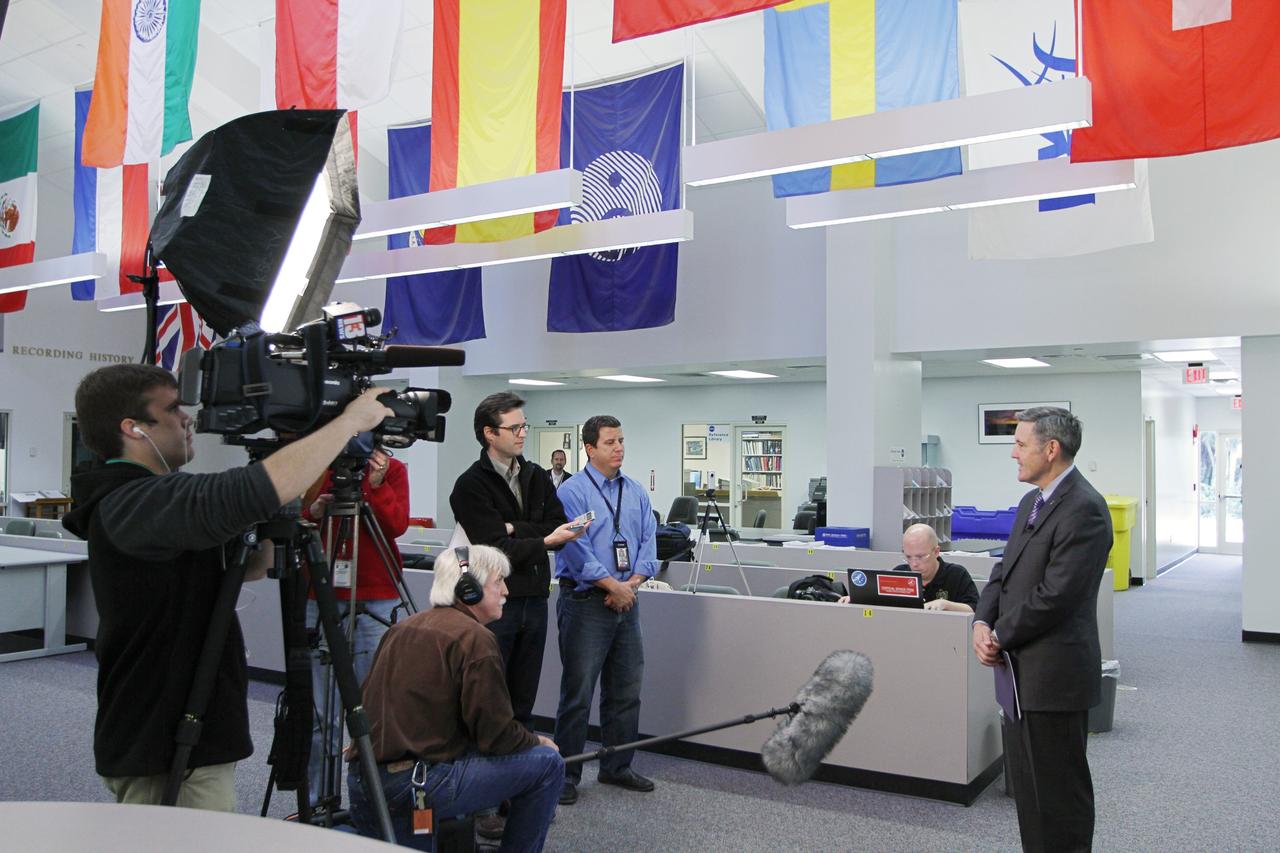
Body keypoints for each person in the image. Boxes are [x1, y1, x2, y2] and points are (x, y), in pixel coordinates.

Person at [61, 364, 393, 810]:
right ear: (133, 428)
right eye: (173, 408)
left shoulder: (154, 499)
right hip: (162, 736)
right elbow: (247, 491)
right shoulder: (133, 502)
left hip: (191, 721)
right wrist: (349, 422)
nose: (187, 419)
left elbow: (252, 564)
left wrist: (288, 511)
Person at [347, 545, 564, 852]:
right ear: (469, 589)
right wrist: (536, 741)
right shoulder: (476, 639)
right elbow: (497, 736)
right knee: (548, 764)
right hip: (414, 787)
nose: (506, 590)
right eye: (498, 581)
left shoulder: (401, 628)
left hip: (365, 784)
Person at [972, 406, 1112, 853]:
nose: (1013, 453)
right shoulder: (1031, 503)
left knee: (1059, 797)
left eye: (1020, 444)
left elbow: (1057, 596)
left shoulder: (1085, 509)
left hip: (1055, 678)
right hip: (1020, 675)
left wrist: (999, 635)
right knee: (1030, 795)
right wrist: (981, 620)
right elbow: (1004, 572)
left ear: (1051, 449)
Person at [450, 393, 585, 839]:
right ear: (489, 434)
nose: (524, 433)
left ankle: (519, 793)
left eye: (525, 426)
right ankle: (482, 803)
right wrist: (539, 539)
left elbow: (557, 524)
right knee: (487, 702)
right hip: (493, 604)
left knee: (521, 704)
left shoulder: (535, 475)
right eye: (515, 428)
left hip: (533, 599)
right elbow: (493, 545)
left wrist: (516, 530)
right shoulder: (469, 485)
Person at [553, 415, 659, 806]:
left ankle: (616, 766)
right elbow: (575, 548)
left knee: (626, 691)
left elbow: (649, 541)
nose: (619, 448)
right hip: (585, 603)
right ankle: (566, 774)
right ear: (589, 448)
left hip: (627, 603)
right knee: (577, 694)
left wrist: (629, 586)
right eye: (610, 442)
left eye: (621, 441)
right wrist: (612, 586)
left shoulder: (635, 491)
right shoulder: (572, 492)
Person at [302, 435, 410, 808]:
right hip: (323, 592)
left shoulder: (393, 470)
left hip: (377, 594)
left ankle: (373, 803)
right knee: (322, 714)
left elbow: (396, 525)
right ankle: (318, 801)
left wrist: (376, 486)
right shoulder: (320, 469)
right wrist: (314, 511)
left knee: (375, 709)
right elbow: (295, 519)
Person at [837, 523, 978, 612]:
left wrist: (945, 604)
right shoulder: (900, 573)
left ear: (936, 552)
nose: (914, 564)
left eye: (920, 557)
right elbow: (881, 602)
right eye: (908, 557)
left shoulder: (956, 574)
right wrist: (857, 600)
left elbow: (975, 609)